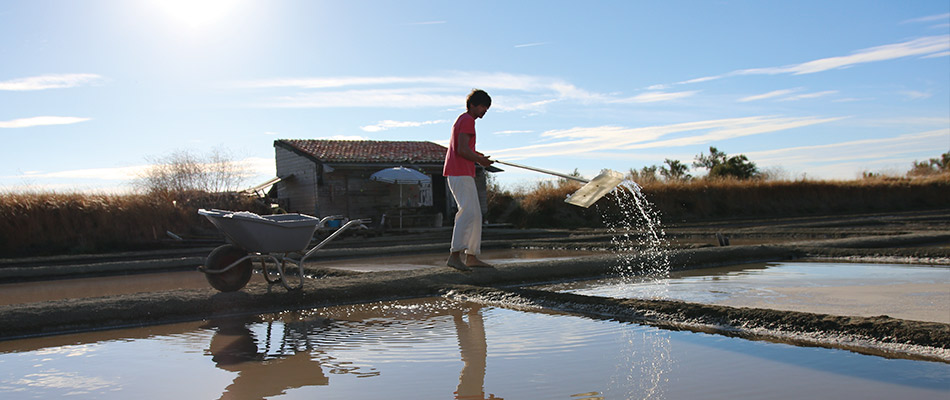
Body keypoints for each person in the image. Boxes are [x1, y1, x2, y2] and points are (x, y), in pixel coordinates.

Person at [444, 89, 494, 270]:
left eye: (486, 109)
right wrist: (480, 160)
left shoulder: (464, 120)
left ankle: (471, 256)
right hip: (459, 173)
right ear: (473, 105)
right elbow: (462, 150)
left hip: (461, 172)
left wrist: (479, 155)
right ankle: (455, 255)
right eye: (483, 107)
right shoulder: (467, 121)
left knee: (475, 214)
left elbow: (465, 149)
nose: (484, 112)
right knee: (468, 212)